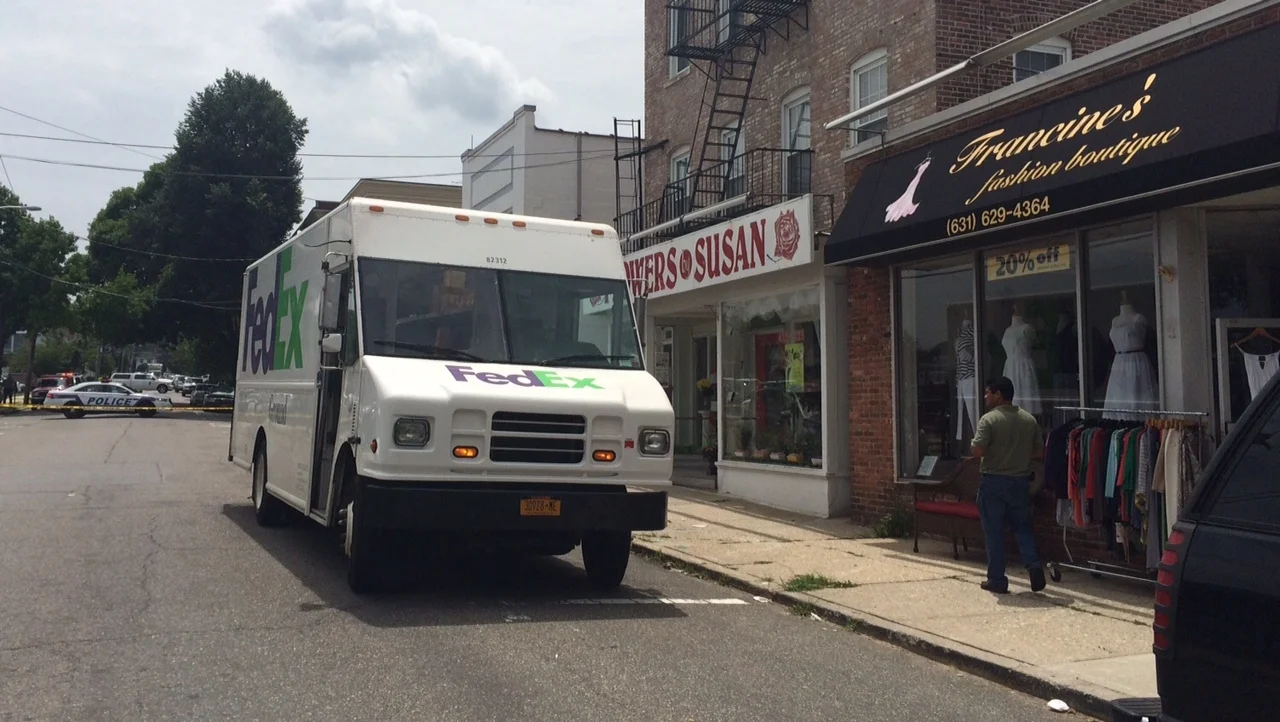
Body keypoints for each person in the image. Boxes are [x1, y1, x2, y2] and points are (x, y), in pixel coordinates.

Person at [970, 376, 1046, 594]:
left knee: (994, 532)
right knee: (1022, 527)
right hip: (1020, 482)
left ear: (998, 395)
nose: (985, 397)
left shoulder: (989, 420)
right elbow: (1039, 452)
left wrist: (975, 446)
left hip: (993, 482)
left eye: (988, 393)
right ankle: (1034, 566)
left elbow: (978, 451)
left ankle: (997, 579)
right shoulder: (1028, 420)